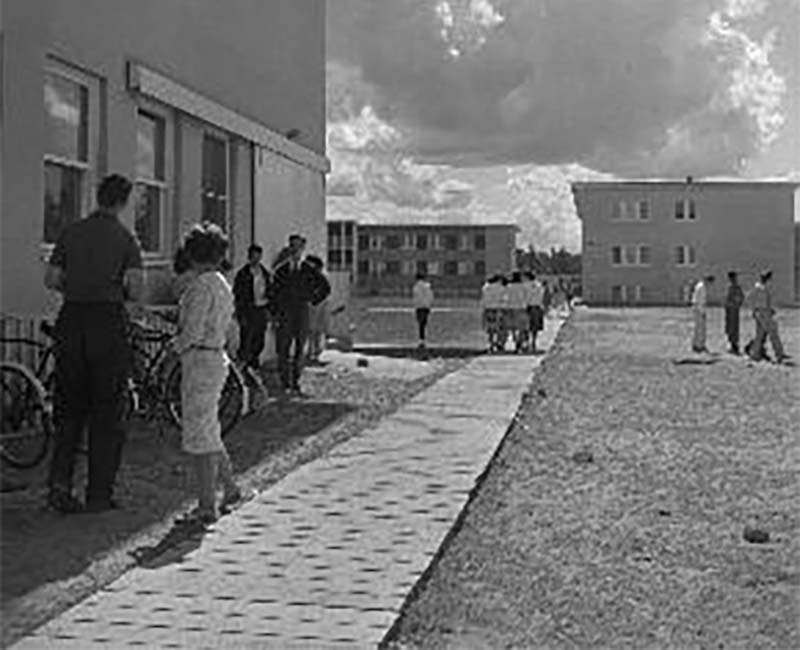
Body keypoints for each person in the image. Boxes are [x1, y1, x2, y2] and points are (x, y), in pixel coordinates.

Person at [43, 174, 143, 513]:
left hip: (72, 320)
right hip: (107, 323)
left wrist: (78, 286)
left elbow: (51, 279)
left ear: (97, 197)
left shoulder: (71, 233)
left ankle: (59, 486)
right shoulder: (126, 239)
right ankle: (99, 492)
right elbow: (136, 288)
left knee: (68, 407)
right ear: (124, 201)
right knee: (107, 410)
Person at [174, 223, 241, 525]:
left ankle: (206, 504)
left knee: (199, 433)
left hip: (200, 357)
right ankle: (230, 487)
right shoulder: (222, 284)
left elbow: (193, 328)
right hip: (215, 355)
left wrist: (177, 345)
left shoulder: (200, 286)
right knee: (209, 426)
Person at [271, 235, 324, 395]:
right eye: (292, 246)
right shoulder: (281, 270)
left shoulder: (309, 269)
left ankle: (295, 382)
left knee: (300, 349)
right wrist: (275, 313)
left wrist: (312, 300)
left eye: (298, 247)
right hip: (285, 313)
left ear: (302, 249)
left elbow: (324, 287)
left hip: (301, 312)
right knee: (283, 350)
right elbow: (273, 292)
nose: (295, 250)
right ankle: (284, 382)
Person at [233, 245, 272, 370]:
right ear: (249, 257)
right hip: (248, 311)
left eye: (258, 257)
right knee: (247, 340)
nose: (256, 259)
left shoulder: (265, 273)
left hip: (261, 309)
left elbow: (271, 291)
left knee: (259, 340)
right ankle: (245, 366)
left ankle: (254, 364)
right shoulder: (242, 274)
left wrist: (270, 310)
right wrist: (240, 314)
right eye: (253, 257)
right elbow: (237, 295)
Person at [746, 270, 788, 363]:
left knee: (760, 334)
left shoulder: (759, 288)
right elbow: (754, 299)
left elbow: (750, 299)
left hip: (760, 312)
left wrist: (755, 309)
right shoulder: (762, 288)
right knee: (773, 332)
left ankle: (754, 354)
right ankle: (779, 354)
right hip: (763, 312)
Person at [305, 255, 332, 365]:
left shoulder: (319, 276)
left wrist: (314, 300)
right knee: (312, 330)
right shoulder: (308, 276)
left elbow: (326, 290)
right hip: (314, 304)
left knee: (315, 330)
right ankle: (311, 353)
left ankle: (314, 353)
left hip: (317, 304)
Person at [480, 275, 505, 353]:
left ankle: (490, 343)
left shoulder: (486, 287)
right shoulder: (501, 288)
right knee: (499, 327)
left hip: (488, 308)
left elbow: (483, 298)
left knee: (490, 328)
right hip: (498, 308)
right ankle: (499, 342)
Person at [690, 274, 715, 353]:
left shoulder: (700, 286)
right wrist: (702, 312)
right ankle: (698, 345)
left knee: (698, 328)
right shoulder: (702, 287)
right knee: (700, 328)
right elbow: (700, 300)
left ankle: (697, 344)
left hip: (697, 307)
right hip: (698, 308)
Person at [506, 271, 529, 352]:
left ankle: (515, 340)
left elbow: (506, 297)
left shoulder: (509, 286)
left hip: (511, 307)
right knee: (521, 327)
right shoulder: (524, 286)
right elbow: (527, 297)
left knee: (513, 327)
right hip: (521, 307)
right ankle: (520, 341)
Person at [524, 272, 546, 353]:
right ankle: (533, 341)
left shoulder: (526, 285)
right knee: (535, 327)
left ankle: (526, 342)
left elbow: (525, 296)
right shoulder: (539, 285)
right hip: (538, 306)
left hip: (528, 307)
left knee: (526, 326)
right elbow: (542, 295)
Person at [724, 271, 744, 354]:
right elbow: (727, 299)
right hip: (731, 309)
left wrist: (738, 302)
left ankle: (734, 344)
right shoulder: (730, 287)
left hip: (735, 309)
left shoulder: (736, 287)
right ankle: (731, 344)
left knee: (734, 327)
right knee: (730, 327)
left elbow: (741, 297)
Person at [412, 272, 434, 348]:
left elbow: (416, 298)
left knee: (420, 324)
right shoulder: (427, 286)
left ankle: (421, 340)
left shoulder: (416, 287)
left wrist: (416, 306)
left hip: (419, 307)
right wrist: (429, 305)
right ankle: (423, 339)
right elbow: (430, 297)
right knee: (424, 323)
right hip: (426, 307)